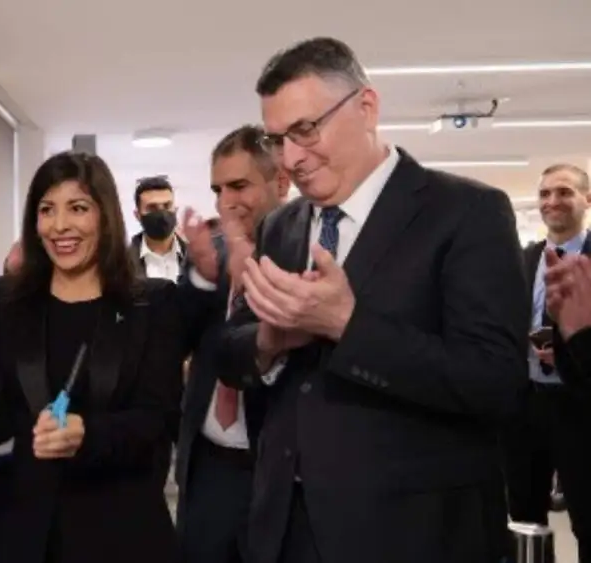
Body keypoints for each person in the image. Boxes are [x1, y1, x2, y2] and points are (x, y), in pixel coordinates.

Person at [212, 37, 529, 563]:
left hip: (410, 533)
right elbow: (230, 349)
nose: (291, 158)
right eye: (277, 139)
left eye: (305, 130)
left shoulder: (466, 213)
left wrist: (347, 323)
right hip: (283, 528)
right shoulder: (281, 226)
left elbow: (494, 381)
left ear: (366, 107)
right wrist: (268, 341)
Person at [0, 151, 183, 563]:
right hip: (19, 530)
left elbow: (156, 419)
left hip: (120, 531)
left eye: (78, 208)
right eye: (46, 210)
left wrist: (87, 434)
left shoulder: (152, 305)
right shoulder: (6, 303)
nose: (59, 226)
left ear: (106, 216)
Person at [175, 125, 289, 563]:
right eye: (217, 189)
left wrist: (256, 283)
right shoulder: (212, 251)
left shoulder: (311, 250)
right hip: (208, 466)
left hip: (275, 467)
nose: (225, 202)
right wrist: (204, 276)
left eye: (239, 186)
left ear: (281, 182)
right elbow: (181, 338)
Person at [503, 163, 591, 562]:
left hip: (580, 408)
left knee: (587, 519)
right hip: (526, 406)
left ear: (586, 200)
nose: (552, 201)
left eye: (564, 192)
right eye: (544, 194)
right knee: (524, 517)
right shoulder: (524, 259)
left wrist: (570, 349)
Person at [129, 175, 187, 282]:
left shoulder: (196, 258)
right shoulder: (122, 263)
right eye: (152, 208)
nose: (162, 213)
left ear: (175, 210)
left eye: (167, 206)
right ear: (137, 215)